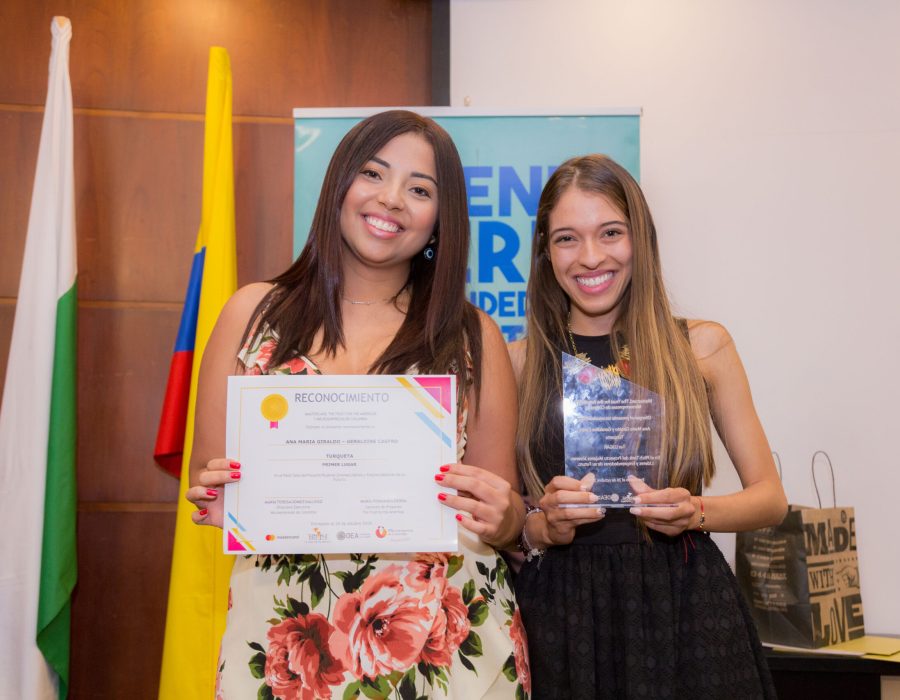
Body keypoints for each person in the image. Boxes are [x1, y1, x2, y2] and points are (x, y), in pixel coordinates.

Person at [185, 110, 530, 699]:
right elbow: (206, 474)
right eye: (373, 173)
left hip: (444, 652)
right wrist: (223, 495)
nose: (391, 198)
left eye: (420, 190)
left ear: (441, 219)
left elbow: (505, 510)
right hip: (291, 644)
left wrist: (506, 517)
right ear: (339, 184)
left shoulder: (472, 336)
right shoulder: (252, 315)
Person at [508, 154, 787, 699]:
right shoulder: (519, 362)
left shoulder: (701, 346)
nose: (591, 256)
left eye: (611, 232)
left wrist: (695, 512)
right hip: (564, 613)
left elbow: (770, 499)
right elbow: (506, 522)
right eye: (567, 239)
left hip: (684, 605)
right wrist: (542, 523)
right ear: (545, 252)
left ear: (641, 238)